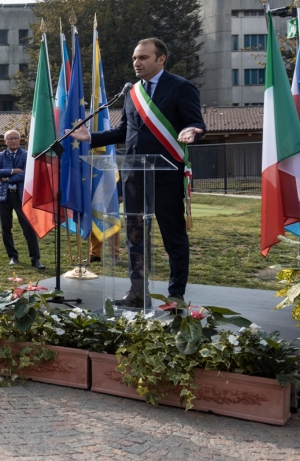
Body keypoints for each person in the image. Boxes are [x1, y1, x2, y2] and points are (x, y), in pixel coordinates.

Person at [70, 37, 205, 306]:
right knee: (134, 238)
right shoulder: (133, 93)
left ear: (161, 59)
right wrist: (91, 138)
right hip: (134, 176)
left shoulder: (180, 87)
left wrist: (193, 131)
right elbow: (124, 132)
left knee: (173, 237)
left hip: (166, 176)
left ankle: (176, 294)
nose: (136, 62)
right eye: (134, 58)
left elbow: (194, 122)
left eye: (143, 57)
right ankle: (137, 293)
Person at [0, 130, 46, 270]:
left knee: (28, 227)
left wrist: (7, 178)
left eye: (16, 138)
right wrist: (12, 171)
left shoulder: (27, 155)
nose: (13, 141)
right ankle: (13, 257)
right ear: (5, 141)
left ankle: (35, 258)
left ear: (20, 140)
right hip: (4, 196)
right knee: (6, 228)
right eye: (10, 138)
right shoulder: (0, 156)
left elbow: (27, 174)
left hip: (22, 197)